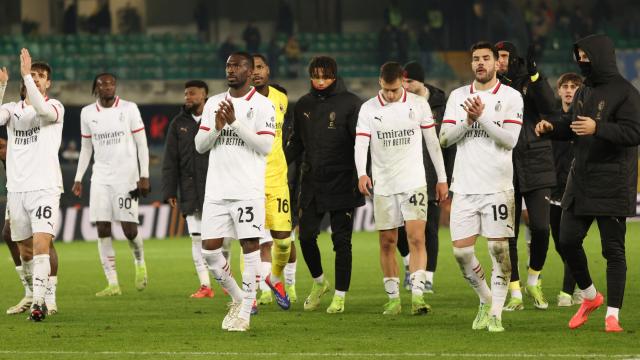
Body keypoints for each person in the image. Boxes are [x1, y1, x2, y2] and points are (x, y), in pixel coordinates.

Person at [535, 34, 640, 332]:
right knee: (566, 241)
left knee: (613, 251)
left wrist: (599, 128)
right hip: (580, 180)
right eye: (578, 55)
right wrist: (552, 128)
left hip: (613, 182)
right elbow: (573, 127)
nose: (581, 60)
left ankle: (613, 315)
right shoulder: (583, 91)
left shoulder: (627, 93)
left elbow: (634, 133)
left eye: (585, 55)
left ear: (600, 56)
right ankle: (591, 297)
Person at [440, 41, 523, 332]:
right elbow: (445, 139)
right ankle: (486, 299)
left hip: (498, 187)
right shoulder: (458, 96)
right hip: (464, 187)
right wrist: (468, 120)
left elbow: (509, 140)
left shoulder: (512, 97)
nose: (480, 63)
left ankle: (497, 313)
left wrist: (482, 117)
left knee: (499, 251)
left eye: (486, 58)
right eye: (475, 59)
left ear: (496, 63)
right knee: (462, 254)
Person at [355, 61, 448, 315]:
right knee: (387, 242)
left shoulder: (418, 105)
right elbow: (361, 145)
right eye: (386, 89)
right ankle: (393, 299)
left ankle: (418, 297)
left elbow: (432, 143)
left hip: (414, 182)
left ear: (402, 82)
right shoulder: (368, 109)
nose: (390, 94)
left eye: (395, 89)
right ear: (380, 83)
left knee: (417, 238)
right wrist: (362, 173)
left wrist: (441, 178)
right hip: (384, 184)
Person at [195, 51, 275, 332]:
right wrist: (217, 128)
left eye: (237, 65)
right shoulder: (214, 103)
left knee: (250, 247)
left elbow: (265, 146)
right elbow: (200, 145)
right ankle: (239, 297)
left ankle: (245, 314)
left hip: (246, 190)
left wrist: (235, 124)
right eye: (228, 65)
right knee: (209, 252)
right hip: (216, 190)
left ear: (251, 70)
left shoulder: (264, 106)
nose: (231, 69)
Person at [284, 56, 364, 314]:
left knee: (342, 242)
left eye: (325, 76)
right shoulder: (303, 104)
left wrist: (365, 173)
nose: (320, 82)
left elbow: (360, 145)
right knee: (305, 236)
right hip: (312, 182)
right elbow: (296, 143)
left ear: (335, 75)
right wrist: (277, 164)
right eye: (315, 76)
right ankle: (320, 283)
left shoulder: (351, 103)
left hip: (343, 180)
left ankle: (340, 296)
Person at [0, 49, 65, 321]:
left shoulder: (56, 107)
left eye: (42, 76)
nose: (37, 79)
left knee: (42, 245)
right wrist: (2, 87)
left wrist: (26, 75)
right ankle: (34, 294)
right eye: (34, 75)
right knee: (25, 248)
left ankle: (40, 302)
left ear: (48, 83)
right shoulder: (12, 110)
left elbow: (41, 109)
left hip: (45, 187)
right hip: (16, 189)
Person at [73, 73, 150, 297]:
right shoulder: (87, 113)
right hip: (100, 178)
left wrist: (144, 175)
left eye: (111, 83)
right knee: (102, 228)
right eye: (102, 84)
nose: (108, 87)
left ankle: (140, 261)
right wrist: (78, 177)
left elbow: (142, 144)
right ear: (95, 88)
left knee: (129, 230)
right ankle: (113, 283)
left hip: (126, 178)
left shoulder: (129, 109)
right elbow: (86, 148)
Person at [495, 41, 557, 311]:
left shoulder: (527, 81)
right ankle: (515, 292)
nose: (499, 60)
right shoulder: (489, 85)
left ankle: (534, 280)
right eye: (496, 56)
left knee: (542, 228)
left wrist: (535, 76)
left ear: (514, 57)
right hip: (503, 164)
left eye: (504, 55)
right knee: (507, 234)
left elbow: (549, 106)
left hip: (536, 160)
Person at [163, 80, 230, 299]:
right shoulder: (178, 123)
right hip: (190, 188)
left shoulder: (216, 117)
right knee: (196, 238)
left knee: (224, 240)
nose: (187, 98)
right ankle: (205, 285)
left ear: (204, 95)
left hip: (217, 187)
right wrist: (170, 191)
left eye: (192, 94)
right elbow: (170, 159)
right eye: (185, 94)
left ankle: (225, 280)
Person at [397, 61, 448, 293]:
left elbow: (448, 145)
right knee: (399, 228)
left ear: (421, 82)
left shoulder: (441, 104)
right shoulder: (398, 103)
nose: (405, 86)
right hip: (403, 175)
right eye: (403, 81)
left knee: (430, 230)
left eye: (409, 81)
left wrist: (445, 177)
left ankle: (427, 278)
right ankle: (410, 264)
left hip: (430, 176)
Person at [251, 53, 298, 307]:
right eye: (252, 68)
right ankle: (253, 296)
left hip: (277, 178)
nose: (256, 72)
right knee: (251, 241)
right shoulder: (241, 102)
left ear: (268, 69)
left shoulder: (281, 99)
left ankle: (274, 278)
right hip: (250, 180)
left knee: (283, 241)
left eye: (260, 67)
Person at [550, 73, 583, 307]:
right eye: (565, 86)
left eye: (574, 86)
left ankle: (566, 293)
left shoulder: (584, 120)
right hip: (553, 189)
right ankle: (584, 284)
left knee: (569, 241)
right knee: (559, 243)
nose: (569, 90)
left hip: (578, 189)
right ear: (559, 90)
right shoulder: (551, 120)